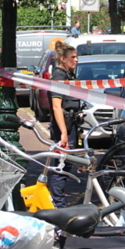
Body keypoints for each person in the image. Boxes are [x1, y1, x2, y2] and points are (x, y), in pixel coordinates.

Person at [48, 41, 81, 207]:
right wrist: (63, 133)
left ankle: (58, 199)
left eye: (76, 57)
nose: (76, 60)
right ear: (62, 59)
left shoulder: (68, 75)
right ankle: (57, 204)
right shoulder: (59, 77)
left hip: (71, 125)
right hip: (64, 127)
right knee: (61, 165)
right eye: (73, 57)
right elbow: (56, 106)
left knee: (66, 164)